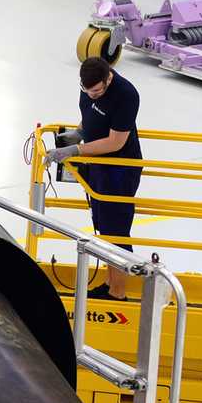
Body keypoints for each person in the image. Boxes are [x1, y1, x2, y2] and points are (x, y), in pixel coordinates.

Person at [46, 57, 143, 299]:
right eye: (87, 91)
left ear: (108, 78)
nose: (92, 96)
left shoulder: (126, 94)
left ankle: (118, 292)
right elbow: (89, 114)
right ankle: (111, 282)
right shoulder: (90, 88)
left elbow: (116, 142)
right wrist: (79, 133)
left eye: (97, 91)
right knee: (102, 224)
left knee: (116, 230)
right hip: (98, 165)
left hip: (120, 169)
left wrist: (75, 150)